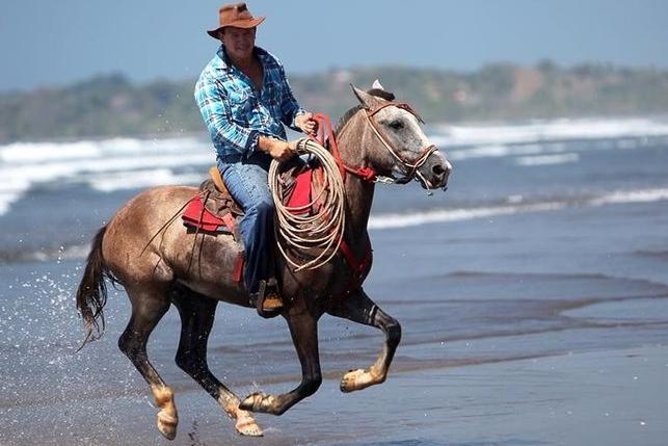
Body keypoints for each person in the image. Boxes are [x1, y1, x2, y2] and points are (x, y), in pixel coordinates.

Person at [194, 2, 316, 315]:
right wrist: (266, 145)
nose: (242, 39)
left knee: (320, 190)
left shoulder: (270, 62)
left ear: (255, 32)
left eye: (247, 32)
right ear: (221, 36)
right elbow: (222, 130)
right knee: (262, 206)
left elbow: (288, 105)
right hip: (239, 161)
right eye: (234, 33)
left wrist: (301, 119)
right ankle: (261, 281)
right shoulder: (211, 80)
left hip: (280, 153)